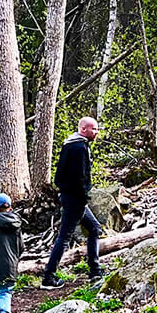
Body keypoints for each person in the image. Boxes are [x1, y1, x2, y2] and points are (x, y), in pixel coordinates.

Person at [41, 117, 103, 289]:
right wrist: (82, 198)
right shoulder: (78, 148)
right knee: (64, 237)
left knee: (94, 229)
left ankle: (95, 270)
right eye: (94, 129)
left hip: (72, 197)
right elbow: (79, 177)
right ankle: (48, 277)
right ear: (83, 129)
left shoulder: (71, 144)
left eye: (97, 129)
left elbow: (60, 176)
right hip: (75, 200)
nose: (96, 132)